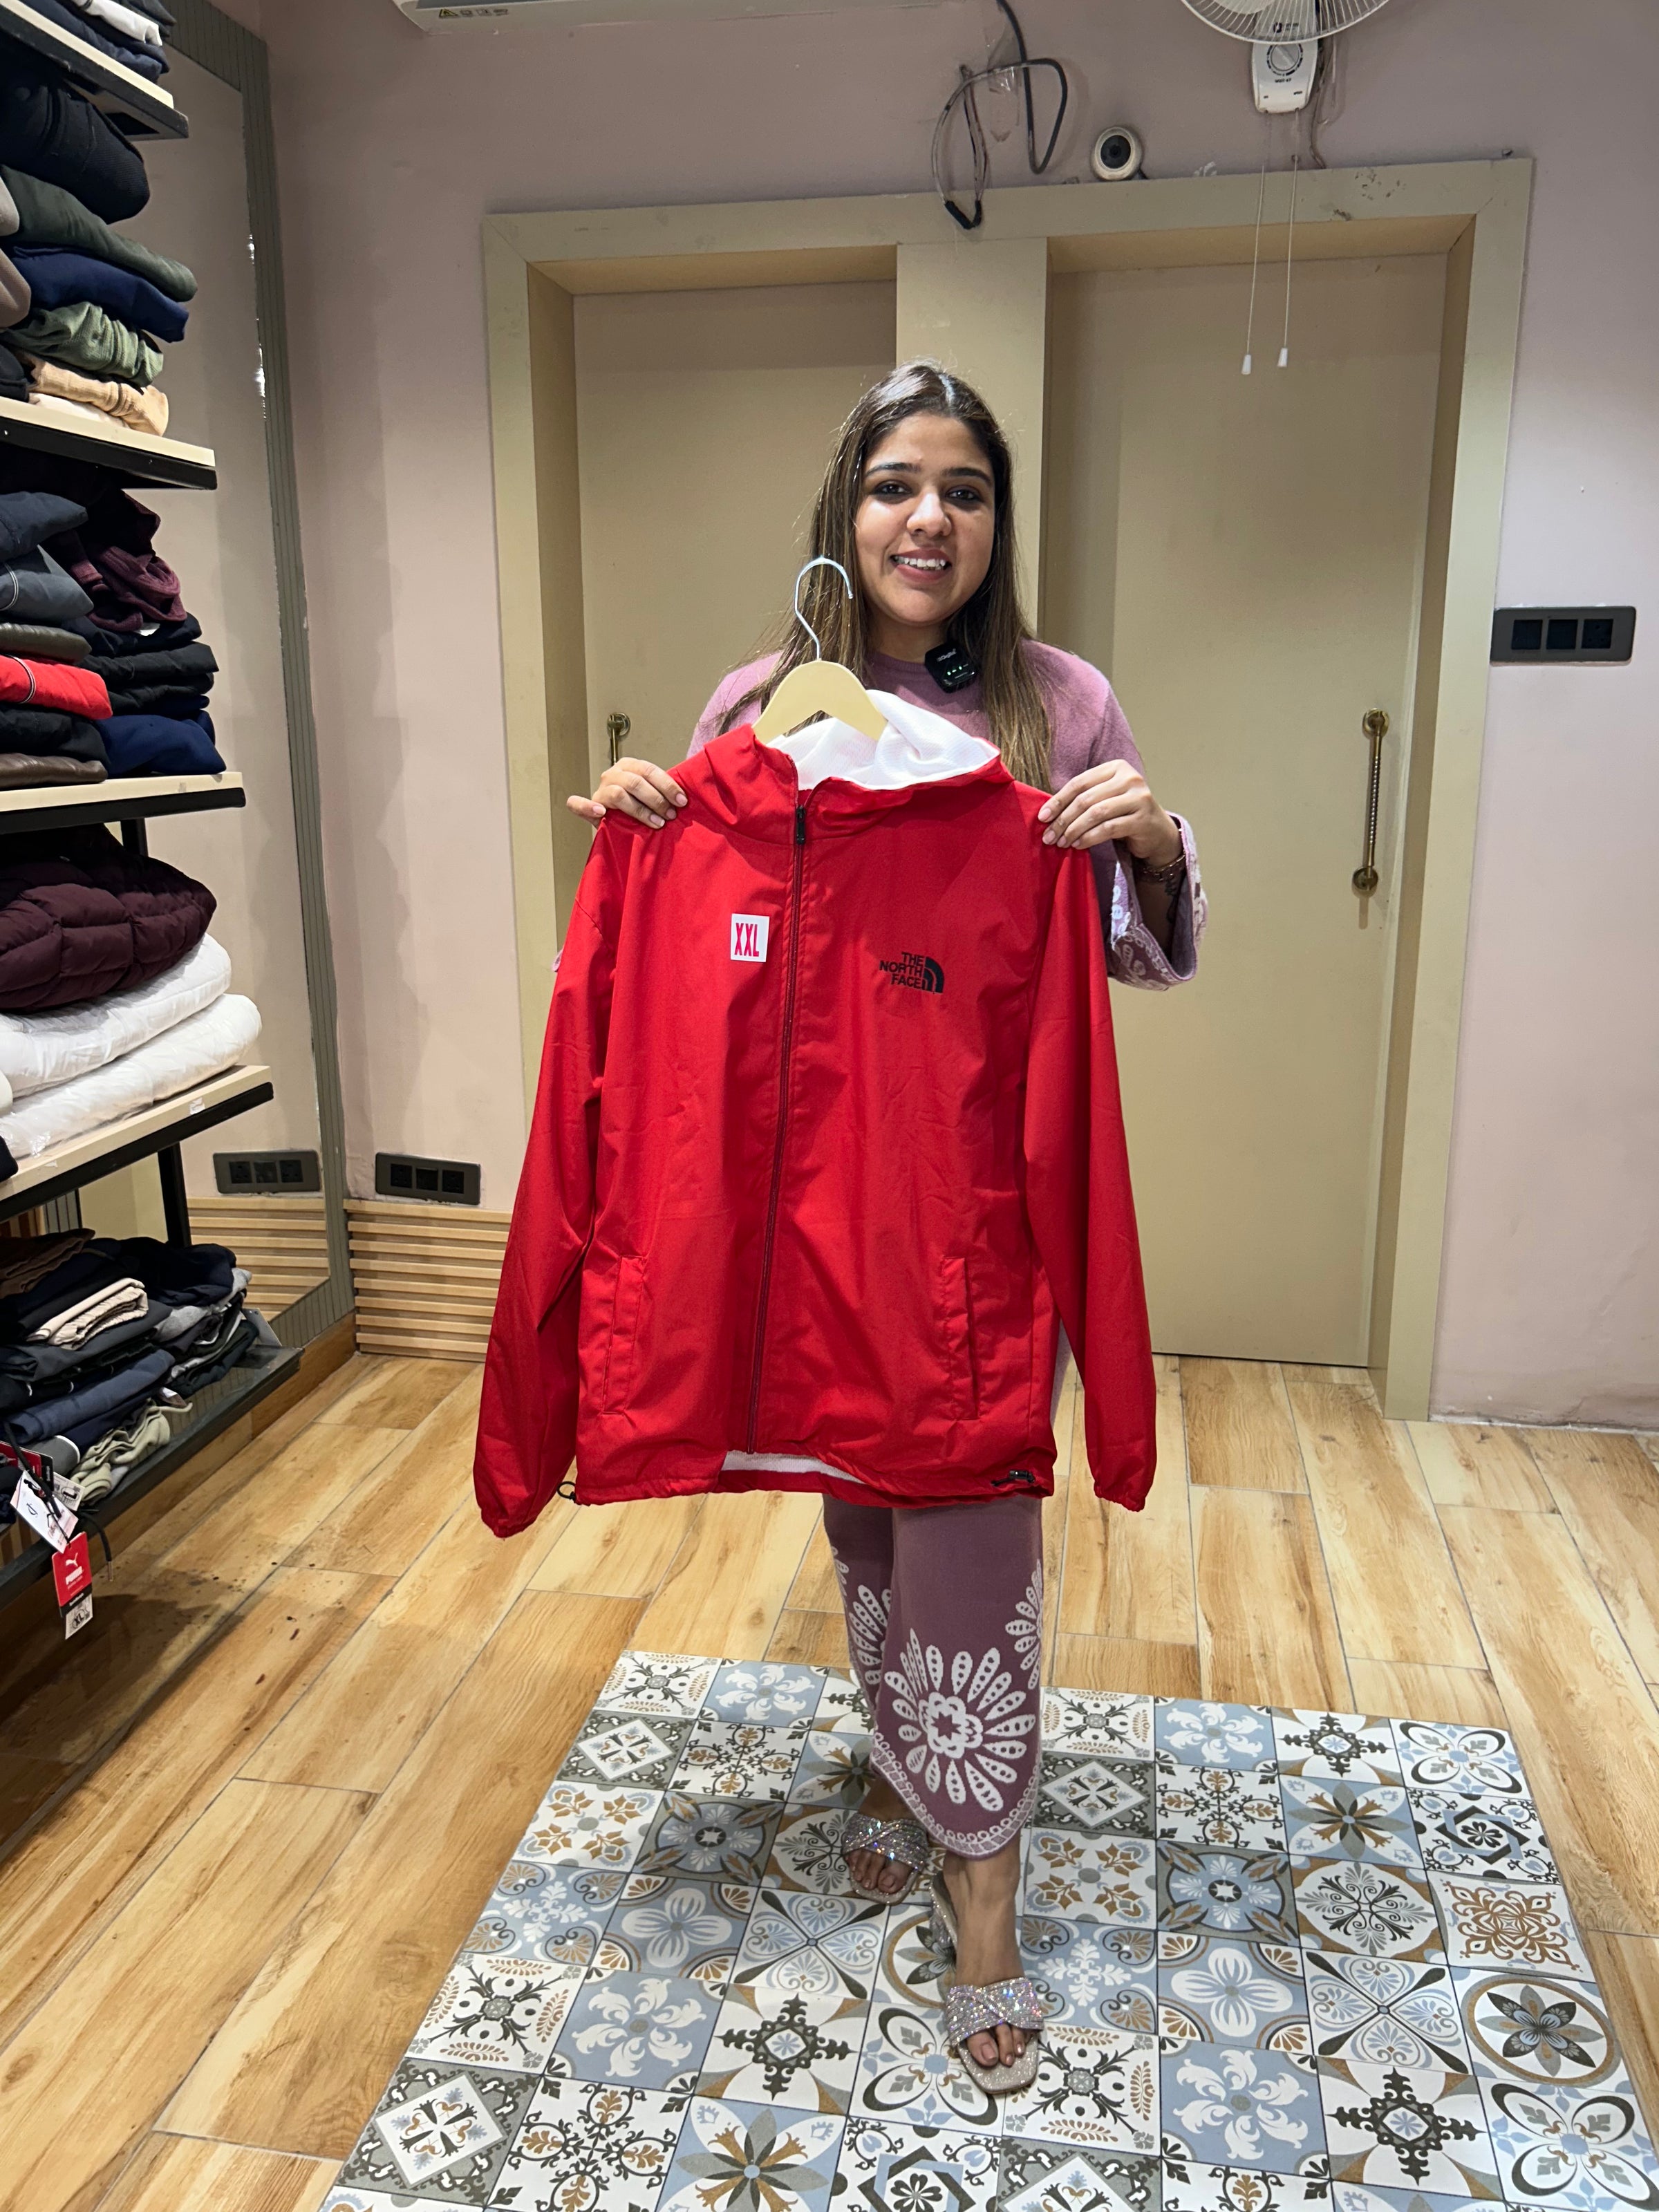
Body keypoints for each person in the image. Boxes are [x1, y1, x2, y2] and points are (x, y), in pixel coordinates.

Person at [566, 360, 1205, 2089]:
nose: (930, 519)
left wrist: (1150, 841)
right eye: (897, 485)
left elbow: (1129, 955)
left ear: (1000, 521)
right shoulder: (756, 696)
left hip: (976, 1208)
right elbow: (721, 936)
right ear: (845, 511)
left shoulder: (1061, 706)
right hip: (812, 1207)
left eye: (965, 491)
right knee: (861, 1514)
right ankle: (905, 1759)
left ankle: (984, 1890)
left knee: (967, 1529)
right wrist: (648, 818)